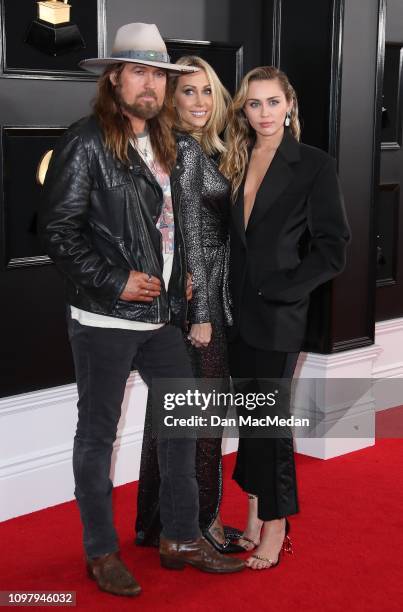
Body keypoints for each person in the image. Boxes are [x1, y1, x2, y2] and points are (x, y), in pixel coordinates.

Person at [40, 23, 244, 597]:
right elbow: (57, 232)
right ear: (114, 78)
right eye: (139, 72)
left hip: (162, 321)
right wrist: (115, 282)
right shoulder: (86, 142)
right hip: (105, 318)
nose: (151, 84)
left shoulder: (165, 142)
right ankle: (100, 552)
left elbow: (174, 229)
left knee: (179, 426)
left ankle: (180, 537)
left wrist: (178, 286)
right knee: (97, 437)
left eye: (159, 74)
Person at [220, 66, 350, 569]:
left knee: (268, 421)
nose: (264, 113)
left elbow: (333, 247)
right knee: (250, 416)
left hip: (278, 314)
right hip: (234, 311)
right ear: (244, 111)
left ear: (289, 105)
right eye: (254, 104)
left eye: (273, 102)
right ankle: (254, 510)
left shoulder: (312, 164)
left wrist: (284, 288)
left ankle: (276, 523)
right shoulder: (236, 159)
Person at [136, 55, 243, 553]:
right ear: (171, 100)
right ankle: (202, 524)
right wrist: (201, 315)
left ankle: (158, 523)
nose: (199, 102)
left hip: (187, 301)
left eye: (206, 92)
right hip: (202, 307)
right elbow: (193, 236)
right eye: (187, 93)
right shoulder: (188, 151)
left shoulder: (185, 147)